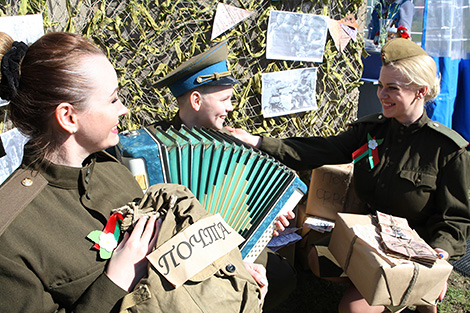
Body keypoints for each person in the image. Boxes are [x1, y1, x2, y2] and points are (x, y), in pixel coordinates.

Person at [0, 31, 266, 312]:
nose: (124, 110)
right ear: (68, 117)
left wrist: (227, 273)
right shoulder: (11, 234)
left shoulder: (110, 169)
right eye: (113, 100)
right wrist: (114, 282)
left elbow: (166, 259)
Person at [227, 38, 470, 313]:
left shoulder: (447, 149)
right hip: (374, 241)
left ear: (420, 92)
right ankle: (391, 291)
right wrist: (259, 142)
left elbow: (455, 219)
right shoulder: (372, 131)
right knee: (317, 260)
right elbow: (322, 149)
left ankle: (416, 295)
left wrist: (438, 259)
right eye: (380, 86)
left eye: (392, 88)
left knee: (353, 309)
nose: (381, 95)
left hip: (415, 253)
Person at [148, 41, 297, 312]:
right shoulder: (152, 149)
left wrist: (269, 220)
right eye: (225, 99)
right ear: (196, 100)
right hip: (178, 256)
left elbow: (248, 204)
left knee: (282, 276)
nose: (231, 108)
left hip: (235, 243)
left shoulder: (236, 145)